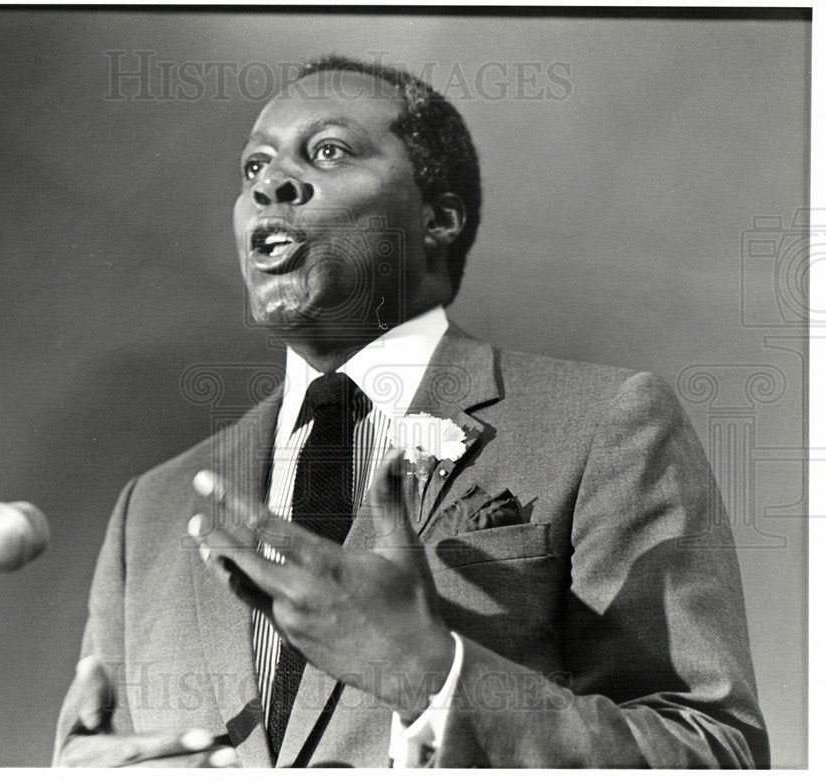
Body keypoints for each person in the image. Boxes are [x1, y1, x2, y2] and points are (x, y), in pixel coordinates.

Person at [52, 56, 769, 768]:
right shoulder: (146, 512)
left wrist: (428, 673)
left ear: (438, 218)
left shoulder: (607, 423)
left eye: (328, 150)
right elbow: (98, 750)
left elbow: (714, 753)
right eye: (253, 169)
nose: (271, 182)